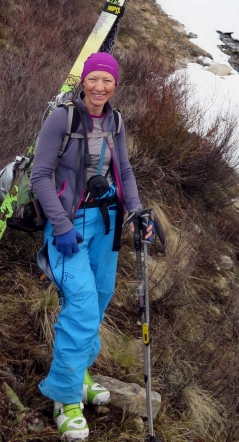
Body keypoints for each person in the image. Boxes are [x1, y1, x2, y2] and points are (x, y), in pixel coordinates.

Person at [31, 52, 153, 441]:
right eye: (94, 79)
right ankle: (64, 398)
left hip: (107, 223)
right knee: (82, 305)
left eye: (108, 81)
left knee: (98, 300)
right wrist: (62, 225)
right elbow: (40, 175)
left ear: (115, 85)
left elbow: (126, 171)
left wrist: (135, 212)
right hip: (69, 228)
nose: (100, 87)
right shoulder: (61, 119)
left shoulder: (115, 121)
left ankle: (79, 373)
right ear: (83, 80)